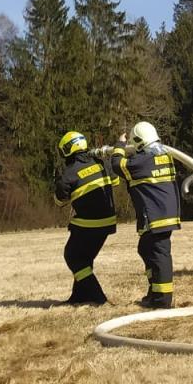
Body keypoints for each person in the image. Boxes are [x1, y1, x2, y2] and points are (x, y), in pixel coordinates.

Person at [53, 130, 120, 305]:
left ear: (66, 150)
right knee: (85, 258)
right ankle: (79, 296)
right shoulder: (100, 162)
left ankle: (98, 297)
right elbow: (116, 181)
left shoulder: (68, 174)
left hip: (89, 223)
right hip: (109, 222)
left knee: (73, 256)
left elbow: (60, 202)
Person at [122, 121, 181, 309]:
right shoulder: (164, 155)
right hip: (163, 213)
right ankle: (154, 290)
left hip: (158, 216)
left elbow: (118, 165)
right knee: (145, 249)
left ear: (138, 141)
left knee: (159, 254)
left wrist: (118, 147)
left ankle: (163, 299)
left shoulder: (143, 160)